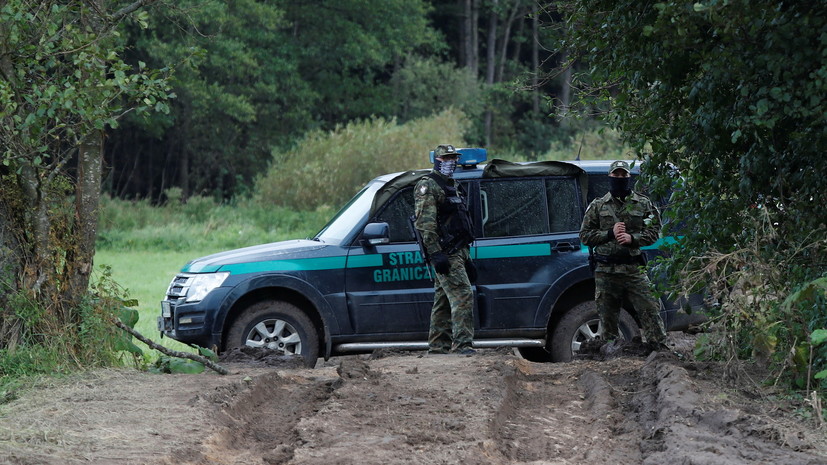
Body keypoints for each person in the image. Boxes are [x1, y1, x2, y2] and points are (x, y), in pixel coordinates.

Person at [579, 160, 667, 350]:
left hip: (632, 268)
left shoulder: (643, 204)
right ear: (610, 177)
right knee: (607, 316)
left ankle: (659, 350)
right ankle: (610, 353)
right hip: (606, 270)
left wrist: (632, 238)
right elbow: (585, 236)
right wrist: (609, 233)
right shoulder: (598, 205)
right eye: (616, 175)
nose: (620, 178)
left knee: (650, 307)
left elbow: (654, 232)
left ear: (629, 178)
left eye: (623, 175)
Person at [414, 144, 476, 355]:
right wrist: (436, 253)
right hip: (446, 252)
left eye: (453, 158)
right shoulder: (429, 186)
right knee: (463, 295)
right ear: (437, 161)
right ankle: (463, 346)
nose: (451, 162)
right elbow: (425, 224)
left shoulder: (454, 185)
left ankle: (438, 347)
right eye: (446, 158)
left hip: (459, 250)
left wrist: (466, 257)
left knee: (442, 300)